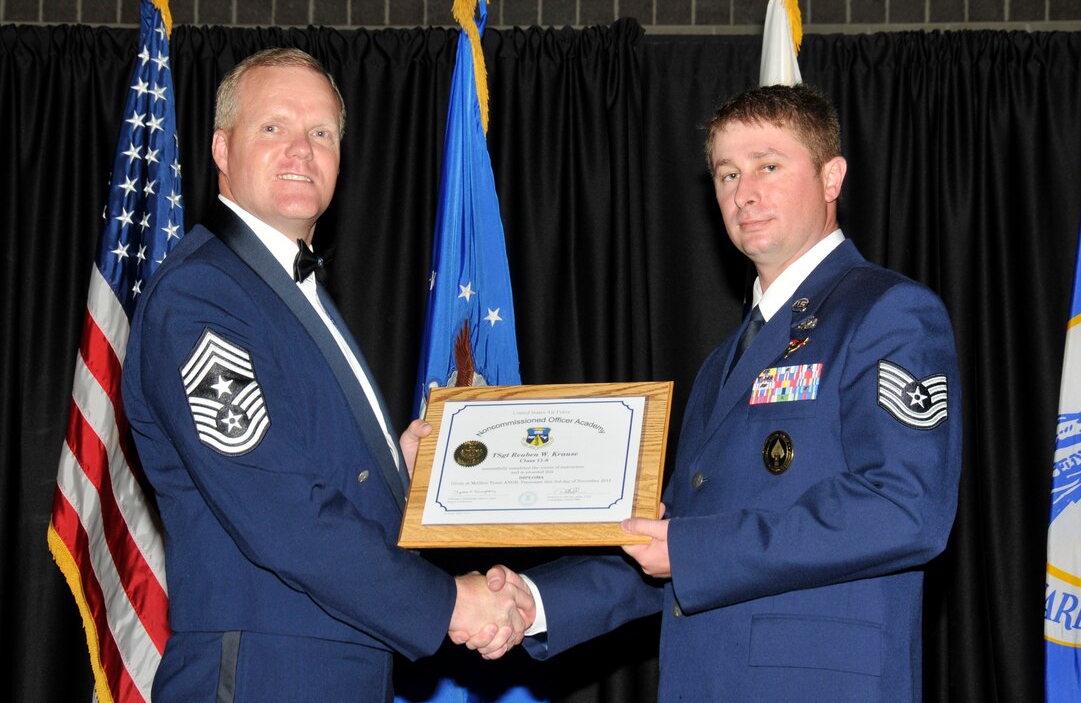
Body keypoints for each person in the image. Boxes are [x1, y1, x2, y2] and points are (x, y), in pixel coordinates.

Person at [492, 83, 963, 701]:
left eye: (769, 166)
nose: (745, 193)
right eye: (726, 174)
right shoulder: (724, 362)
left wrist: (689, 549)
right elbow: (677, 542)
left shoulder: (888, 312)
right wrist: (535, 599)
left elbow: (906, 510)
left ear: (832, 177)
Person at [122, 48, 532, 702]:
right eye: (274, 127)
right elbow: (279, 508)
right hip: (264, 672)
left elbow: (303, 465)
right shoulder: (202, 294)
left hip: (333, 665)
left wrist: (402, 467)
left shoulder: (284, 288)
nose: (301, 150)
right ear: (222, 150)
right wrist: (451, 603)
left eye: (321, 133)